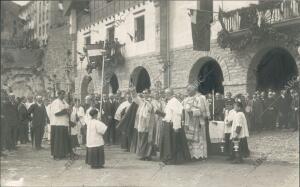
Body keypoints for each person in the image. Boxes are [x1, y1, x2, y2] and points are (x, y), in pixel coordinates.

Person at [159, 88, 191, 165]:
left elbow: (177, 115)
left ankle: (172, 159)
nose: (165, 95)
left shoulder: (174, 102)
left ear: (170, 94)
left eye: (166, 93)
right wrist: (161, 114)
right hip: (168, 124)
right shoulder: (170, 101)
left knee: (173, 143)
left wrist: (176, 127)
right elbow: (169, 114)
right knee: (168, 143)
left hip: (172, 125)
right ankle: (168, 158)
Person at [182, 85, 210, 160]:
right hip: (188, 122)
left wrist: (192, 111)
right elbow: (182, 109)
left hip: (198, 122)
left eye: (189, 90)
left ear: (194, 90)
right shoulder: (186, 99)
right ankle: (191, 155)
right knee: (190, 139)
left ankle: (199, 155)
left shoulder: (201, 98)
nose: (187, 92)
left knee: (199, 138)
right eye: (187, 90)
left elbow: (203, 111)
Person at [135, 89, 156, 161]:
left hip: (149, 123)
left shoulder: (152, 101)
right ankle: (142, 154)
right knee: (142, 139)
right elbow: (135, 98)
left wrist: (148, 103)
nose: (144, 94)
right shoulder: (142, 101)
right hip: (141, 123)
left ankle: (148, 155)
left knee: (148, 139)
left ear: (149, 94)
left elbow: (154, 110)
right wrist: (133, 91)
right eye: (143, 93)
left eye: (146, 93)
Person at [51, 90, 71, 160]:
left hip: (64, 123)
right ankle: (56, 155)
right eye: (62, 95)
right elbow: (57, 113)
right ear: (58, 95)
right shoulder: (56, 102)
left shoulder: (64, 101)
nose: (63, 96)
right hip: (58, 123)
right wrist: (66, 110)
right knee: (58, 140)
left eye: (64, 95)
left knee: (63, 140)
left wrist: (69, 109)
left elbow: (68, 107)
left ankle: (63, 153)